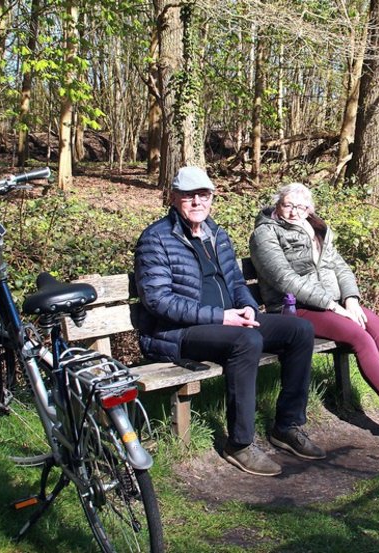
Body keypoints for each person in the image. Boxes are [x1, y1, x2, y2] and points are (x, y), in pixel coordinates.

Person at [134, 167, 325, 477]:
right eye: (188, 195)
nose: (197, 201)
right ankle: (240, 443)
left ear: (212, 197)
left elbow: (236, 283)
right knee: (246, 341)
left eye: (204, 195)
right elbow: (158, 301)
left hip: (229, 322)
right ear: (173, 198)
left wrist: (248, 308)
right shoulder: (156, 239)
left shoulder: (216, 234)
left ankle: (287, 425)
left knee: (300, 330)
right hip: (180, 333)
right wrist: (222, 316)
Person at [249, 182, 379, 439]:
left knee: (378, 326)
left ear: (309, 209)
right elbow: (284, 279)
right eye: (287, 205)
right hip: (292, 308)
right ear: (277, 205)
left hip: (332, 304)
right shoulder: (265, 234)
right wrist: (333, 306)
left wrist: (351, 299)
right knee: (359, 336)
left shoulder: (316, 228)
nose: (293, 212)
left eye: (300, 207)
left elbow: (341, 267)